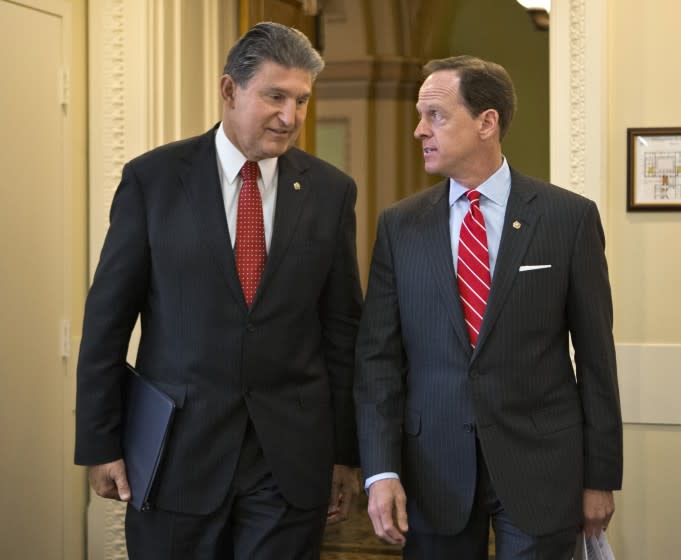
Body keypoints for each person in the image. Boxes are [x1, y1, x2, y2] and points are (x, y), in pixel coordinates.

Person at [75, 22, 362, 559]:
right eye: (275, 96)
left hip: (290, 460)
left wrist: (345, 454)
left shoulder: (330, 191)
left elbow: (343, 328)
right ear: (230, 91)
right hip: (175, 453)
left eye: (300, 100)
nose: (290, 116)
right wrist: (101, 442)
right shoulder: (153, 180)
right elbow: (107, 322)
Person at [354, 55, 623, 560]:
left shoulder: (568, 219)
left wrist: (600, 477)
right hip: (431, 471)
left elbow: (596, 360)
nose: (419, 130)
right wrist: (381, 470)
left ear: (487, 122)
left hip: (542, 468)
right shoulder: (399, 226)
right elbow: (377, 362)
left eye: (435, 115)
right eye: (420, 115)